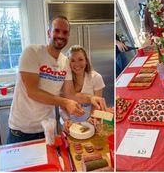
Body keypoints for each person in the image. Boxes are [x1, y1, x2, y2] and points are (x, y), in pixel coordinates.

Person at [7, 15, 106, 144]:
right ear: (49, 32)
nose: (61, 35)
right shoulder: (32, 52)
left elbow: (70, 94)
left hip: (47, 129)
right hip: (21, 131)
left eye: (65, 32)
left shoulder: (65, 62)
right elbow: (32, 91)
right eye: (57, 30)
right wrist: (65, 102)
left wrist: (90, 98)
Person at [60, 45, 106, 132]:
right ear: (68, 64)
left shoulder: (96, 78)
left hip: (90, 123)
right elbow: (62, 106)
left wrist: (92, 118)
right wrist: (67, 120)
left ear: (86, 61)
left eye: (80, 59)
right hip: (69, 125)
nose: (77, 64)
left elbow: (97, 105)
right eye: (72, 60)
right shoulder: (63, 80)